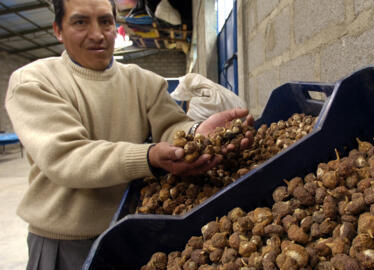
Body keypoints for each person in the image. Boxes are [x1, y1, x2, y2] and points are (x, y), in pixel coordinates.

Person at [4, 0, 253, 269]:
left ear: (116, 26)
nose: (97, 34)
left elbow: (171, 127)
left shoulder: (142, 80)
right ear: (58, 30)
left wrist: (196, 134)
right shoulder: (34, 81)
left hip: (131, 230)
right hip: (64, 242)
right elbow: (65, 157)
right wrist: (148, 156)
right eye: (80, 22)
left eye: (105, 21)